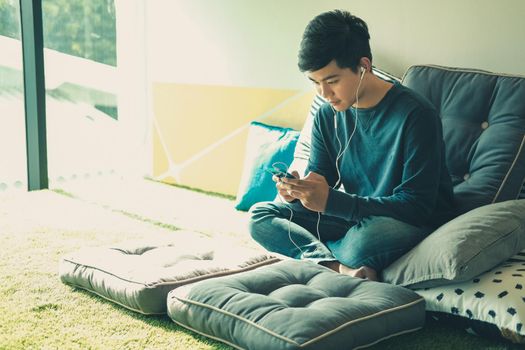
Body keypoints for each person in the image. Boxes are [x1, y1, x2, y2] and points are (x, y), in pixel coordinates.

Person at [248, 10, 454, 281]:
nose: (324, 93)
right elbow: (323, 175)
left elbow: (417, 206)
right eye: (315, 83)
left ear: (364, 66)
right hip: (355, 216)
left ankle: (325, 254)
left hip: (405, 221)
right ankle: (338, 267)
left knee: (363, 242)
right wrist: (302, 190)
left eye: (332, 81)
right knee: (260, 216)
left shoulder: (416, 115)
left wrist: (334, 202)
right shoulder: (327, 114)